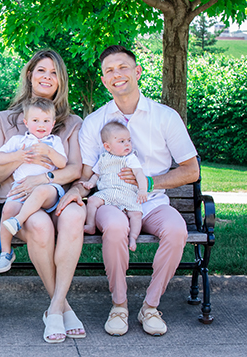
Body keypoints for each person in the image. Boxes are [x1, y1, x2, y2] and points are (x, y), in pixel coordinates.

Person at [59, 45, 199, 337]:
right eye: (109, 70)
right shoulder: (95, 122)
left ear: (137, 72)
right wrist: (75, 189)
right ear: (103, 79)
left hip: (152, 201)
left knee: (176, 230)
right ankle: (119, 305)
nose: (116, 74)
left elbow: (190, 170)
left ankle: (150, 306)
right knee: (114, 225)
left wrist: (150, 183)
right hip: (111, 199)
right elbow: (87, 173)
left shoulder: (165, 116)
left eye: (123, 67)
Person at [0, 49, 86, 344]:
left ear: (61, 81)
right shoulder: (4, 120)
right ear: (30, 75)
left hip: (57, 195)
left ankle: (55, 308)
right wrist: (23, 155)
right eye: (41, 70)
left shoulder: (71, 123)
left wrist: (42, 177)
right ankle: (61, 308)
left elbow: (75, 169)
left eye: (54, 73)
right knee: (41, 226)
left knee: (75, 216)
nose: (47, 77)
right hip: (18, 201)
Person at [0, 97, 67, 273]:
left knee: (41, 191)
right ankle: (5, 252)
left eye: (46, 121)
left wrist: (49, 151)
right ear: (26, 122)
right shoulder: (19, 142)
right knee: (8, 209)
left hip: (48, 189)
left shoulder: (53, 142)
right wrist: (18, 156)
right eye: (35, 120)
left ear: (53, 123)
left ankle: (18, 221)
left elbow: (63, 163)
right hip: (21, 188)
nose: (41, 125)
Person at [81, 121, 147, 252]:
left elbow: (139, 174)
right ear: (107, 146)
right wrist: (90, 183)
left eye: (129, 140)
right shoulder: (103, 158)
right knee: (92, 200)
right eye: (121, 141)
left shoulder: (131, 158)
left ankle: (133, 237)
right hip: (108, 193)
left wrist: (142, 190)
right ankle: (91, 225)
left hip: (127, 193)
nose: (127, 144)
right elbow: (96, 175)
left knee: (136, 214)